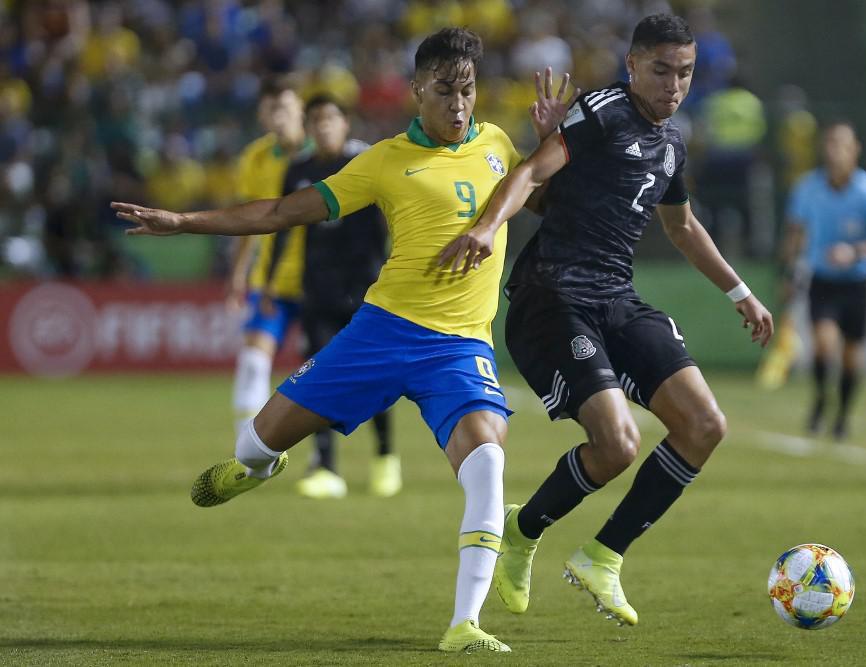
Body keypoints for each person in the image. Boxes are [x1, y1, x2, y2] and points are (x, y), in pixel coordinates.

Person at [112, 28, 576, 653]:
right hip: (381, 334)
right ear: (417, 90)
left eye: (466, 90)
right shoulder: (383, 161)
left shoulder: (496, 143)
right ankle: (261, 463)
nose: (459, 104)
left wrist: (549, 143)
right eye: (445, 91)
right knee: (251, 440)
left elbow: (547, 204)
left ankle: (465, 623)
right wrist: (183, 222)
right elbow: (281, 213)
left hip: (461, 348)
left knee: (489, 464)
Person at [439, 14, 772, 627]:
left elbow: (682, 226)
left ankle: (603, 555)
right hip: (553, 294)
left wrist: (740, 291)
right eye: (662, 70)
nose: (674, 85)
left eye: (686, 72)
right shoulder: (602, 110)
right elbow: (532, 172)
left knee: (704, 425)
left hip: (615, 296)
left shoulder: (672, 140)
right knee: (619, 444)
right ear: (632, 66)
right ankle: (523, 530)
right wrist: (487, 227)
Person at [264, 94, 399, 500]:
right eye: (317, 120)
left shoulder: (368, 162)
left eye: (331, 119)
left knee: (374, 376)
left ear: (346, 123)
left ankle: (385, 455)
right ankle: (324, 466)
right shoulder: (300, 169)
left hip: (366, 289)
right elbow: (282, 223)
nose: (324, 127)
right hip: (318, 286)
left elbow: (394, 215)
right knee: (319, 375)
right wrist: (270, 280)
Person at [780, 120, 866, 440]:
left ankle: (842, 415)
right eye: (830, 144)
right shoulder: (808, 188)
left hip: (858, 283)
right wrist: (788, 273)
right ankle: (820, 398)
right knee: (823, 345)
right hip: (823, 280)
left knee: (851, 356)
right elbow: (794, 233)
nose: (835, 152)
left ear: (855, 149)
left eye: (842, 145)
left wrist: (857, 251)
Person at [228, 78, 313, 437]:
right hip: (271, 283)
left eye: (286, 108)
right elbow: (247, 221)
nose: (279, 116)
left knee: (322, 373)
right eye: (273, 110)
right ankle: (247, 452)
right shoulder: (255, 158)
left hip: (318, 282)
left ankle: (324, 461)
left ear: (301, 112)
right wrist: (238, 276)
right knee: (252, 361)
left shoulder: (324, 156)